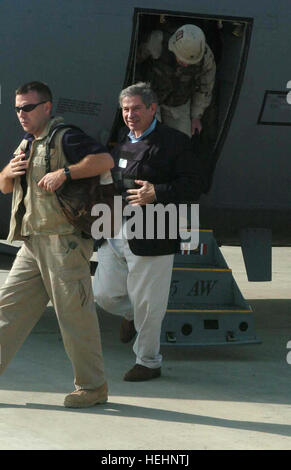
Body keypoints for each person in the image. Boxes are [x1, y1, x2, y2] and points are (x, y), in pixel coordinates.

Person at [0, 81, 114, 408]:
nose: (21, 114)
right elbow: (5, 186)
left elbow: (104, 160)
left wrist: (65, 172)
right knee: (8, 311)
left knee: (74, 316)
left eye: (28, 107)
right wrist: (10, 169)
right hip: (33, 242)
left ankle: (93, 388)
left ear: (47, 107)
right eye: (18, 108)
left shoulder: (66, 136)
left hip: (65, 243)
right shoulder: (27, 143)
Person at [93, 82, 202, 381]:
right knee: (103, 294)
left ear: (153, 108)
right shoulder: (124, 142)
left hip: (154, 231)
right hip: (115, 229)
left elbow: (195, 185)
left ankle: (149, 361)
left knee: (150, 305)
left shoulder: (174, 142)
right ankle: (131, 315)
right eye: (126, 109)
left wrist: (158, 192)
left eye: (136, 108)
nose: (130, 114)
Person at [137, 24, 216, 138]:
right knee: (149, 138)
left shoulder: (206, 58)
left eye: (189, 62)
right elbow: (133, 62)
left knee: (182, 140)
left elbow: (205, 88)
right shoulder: (156, 41)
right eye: (182, 59)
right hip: (150, 97)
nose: (186, 64)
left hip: (179, 102)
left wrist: (196, 116)